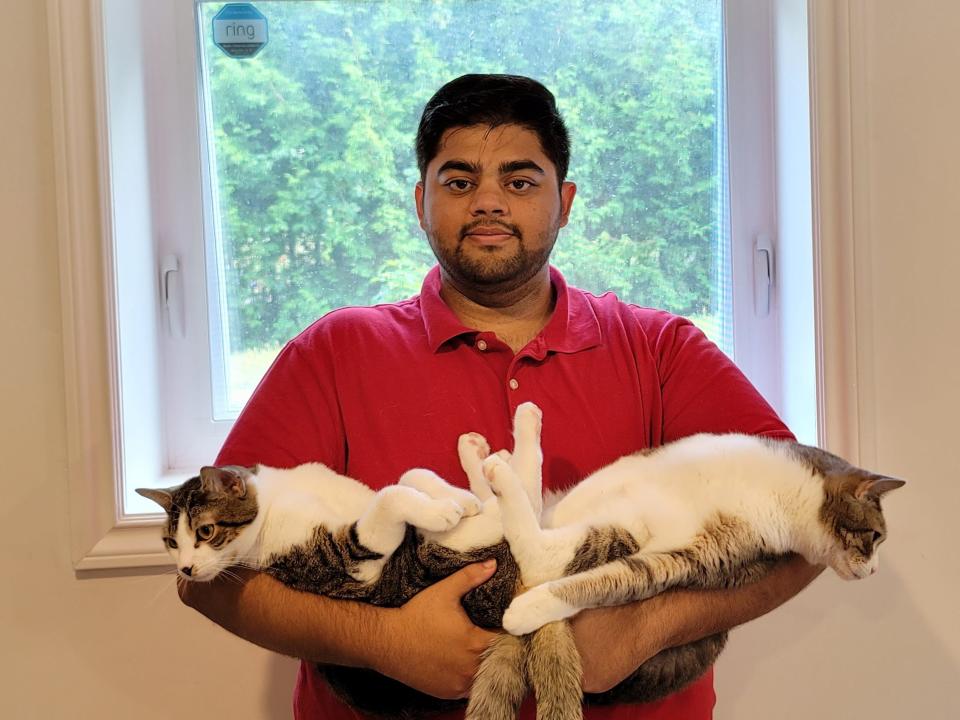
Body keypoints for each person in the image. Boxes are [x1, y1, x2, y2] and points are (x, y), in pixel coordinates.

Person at [179, 74, 822, 719]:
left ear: (565, 201)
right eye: (458, 182)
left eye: (520, 181)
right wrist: (383, 642)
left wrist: (643, 626)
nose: (488, 202)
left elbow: (815, 516)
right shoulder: (332, 352)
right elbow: (204, 582)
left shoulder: (662, 350)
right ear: (420, 202)